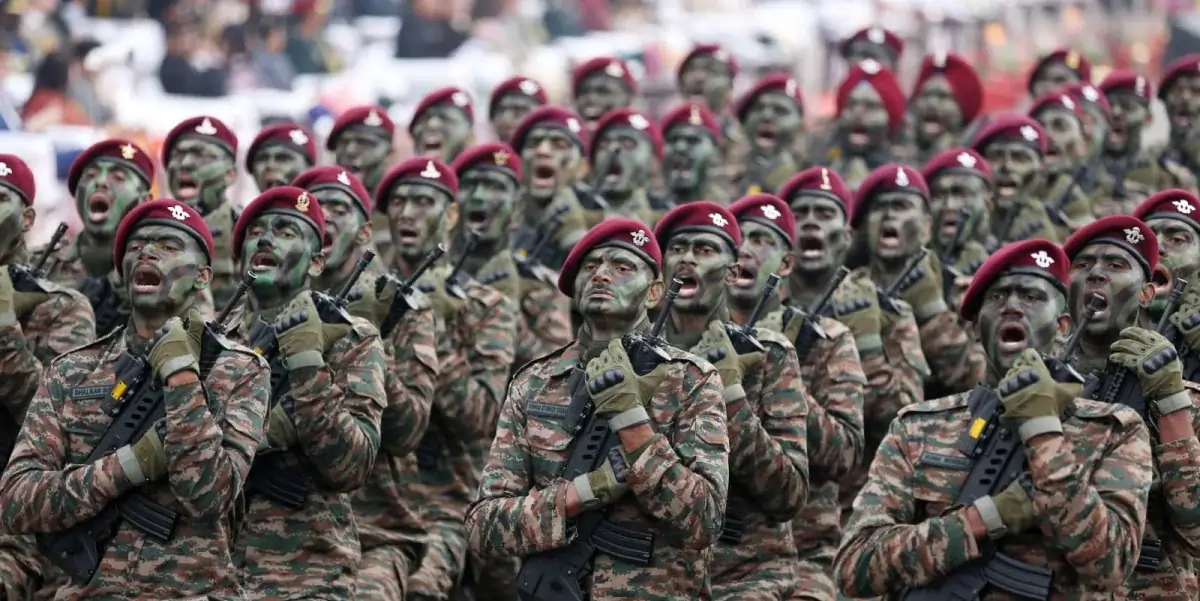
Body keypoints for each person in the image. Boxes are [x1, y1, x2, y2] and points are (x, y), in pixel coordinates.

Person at [834, 238, 1154, 600]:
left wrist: (1043, 432)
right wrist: (983, 519)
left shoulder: (1113, 430)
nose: (1012, 307)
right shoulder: (918, 427)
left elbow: (1110, 564)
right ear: (974, 327)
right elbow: (853, 567)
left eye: (1032, 297)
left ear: (1063, 325)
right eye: (998, 297)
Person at [0, 199, 270, 599]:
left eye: (168, 245)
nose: (147, 252)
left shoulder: (239, 369)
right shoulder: (73, 370)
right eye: (136, 246)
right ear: (121, 270)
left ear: (202, 277)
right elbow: (15, 500)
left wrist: (181, 377)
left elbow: (209, 496)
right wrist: (129, 465)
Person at [466, 217, 730, 600]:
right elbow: (482, 527)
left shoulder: (691, 380)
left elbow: (705, 522)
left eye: (622, 267)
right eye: (591, 266)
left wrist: (633, 424)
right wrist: (579, 494)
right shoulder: (535, 381)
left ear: (655, 292)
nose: (602, 275)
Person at [224, 185, 388, 600]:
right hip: (206, 570)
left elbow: (352, 466)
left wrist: (307, 365)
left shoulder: (350, 337)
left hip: (306, 572)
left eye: (285, 231)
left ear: (317, 262)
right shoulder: (210, 344)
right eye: (255, 232)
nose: (265, 239)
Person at [293, 165, 438, 601]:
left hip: (373, 528)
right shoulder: (276, 301)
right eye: (316, 209)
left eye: (339, 208)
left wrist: (372, 341)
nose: (326, 217)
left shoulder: (398, 307)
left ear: (365, 231)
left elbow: (409, 431)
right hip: (280, 526)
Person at [653, 201, 811, 600]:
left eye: (705, 250)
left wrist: (731, 393)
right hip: (650, 574)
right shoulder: (632, 358)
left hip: (743, 574)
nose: (688, 258)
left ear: (733, 272)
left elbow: (789, 495)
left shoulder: (769, 354)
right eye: (678, 248)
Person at [1059, 215, 1200, 601]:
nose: (1096, 273)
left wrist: (1170, 403)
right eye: (1083, 264)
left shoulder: (1184, 399)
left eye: (1116, 264)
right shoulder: (1032, 383)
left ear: (1147, 294)